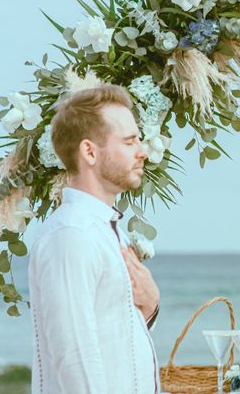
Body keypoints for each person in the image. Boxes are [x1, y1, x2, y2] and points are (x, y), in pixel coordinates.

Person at [29, 85, 161, 393]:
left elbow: (114, 336)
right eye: (129, 142)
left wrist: (150, 306)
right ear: (90, 152)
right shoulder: (71, 236)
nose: (142, 151)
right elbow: (74, 358)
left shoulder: (106, 229)